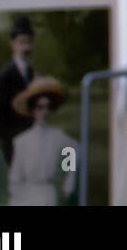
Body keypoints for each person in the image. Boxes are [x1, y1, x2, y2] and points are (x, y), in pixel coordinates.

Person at [7, 76, 79, 206]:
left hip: (47, 192)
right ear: (33, 109)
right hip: (26, 193)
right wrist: (20, 196)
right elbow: (15, 177)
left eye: (48, 107)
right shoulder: (22, 140)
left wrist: (70, 179)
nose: (44, 112)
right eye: (40, 107)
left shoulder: (57, 136)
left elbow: (74, 149)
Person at [0, 15, 36, 165]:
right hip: (14, 146)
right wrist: (14, 139)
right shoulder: (5, 76)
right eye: (22, 42)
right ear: (13, 45)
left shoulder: (30, 73)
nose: (26, 48)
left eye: (29, 42)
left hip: (33, 145)